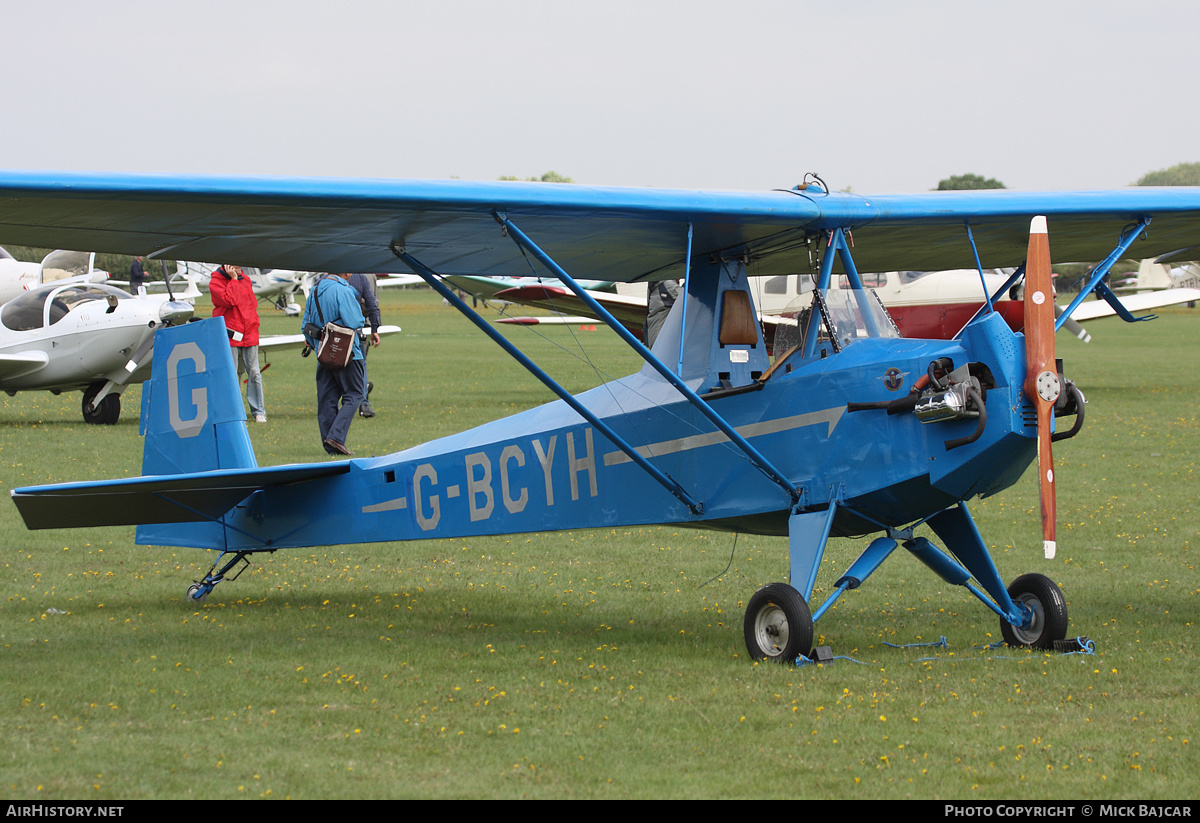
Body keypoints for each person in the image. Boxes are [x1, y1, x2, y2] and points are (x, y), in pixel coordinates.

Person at [302, 273, 367, 456]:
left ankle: (330, 444)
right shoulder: (343, 291)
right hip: (347, 352)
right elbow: (355, 321)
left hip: (323, 352)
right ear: (345, 274)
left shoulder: (314, 291)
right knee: (355, 394)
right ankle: (336, 438)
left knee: (327, 398)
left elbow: (305, 326)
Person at [209, 264, 266, 423]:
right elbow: (230, 300)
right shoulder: (216, 282)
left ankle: (259, 411)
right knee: (232, 374)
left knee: (254, 373)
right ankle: (233, 412)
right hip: (230, 333)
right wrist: (233, 280)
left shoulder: (246, 280)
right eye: (234, 264)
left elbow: (250, 306)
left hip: (249, 332)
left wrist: (254, 325)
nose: (239, 267)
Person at [345, 273, 382, 418]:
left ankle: (346, 401)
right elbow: (373, 303)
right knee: (360, 365)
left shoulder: (334, 274)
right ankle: (363, 403)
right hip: (362, 325)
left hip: (339, 327)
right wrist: (375, 327)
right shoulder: (368, 275)